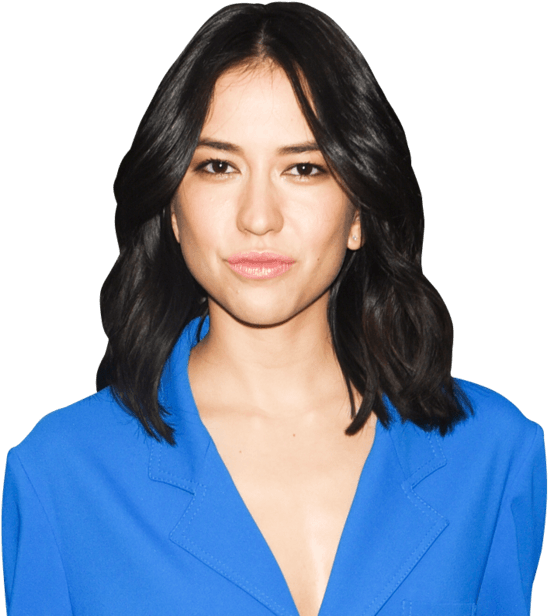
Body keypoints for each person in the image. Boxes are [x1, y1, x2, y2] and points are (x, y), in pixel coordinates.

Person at [2, 3, 545, 615]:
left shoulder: (493, 452)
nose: (258, 217)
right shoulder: (60, 472)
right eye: (218, 166)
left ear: (360, 212)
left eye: (304, 168)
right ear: (173, 209)